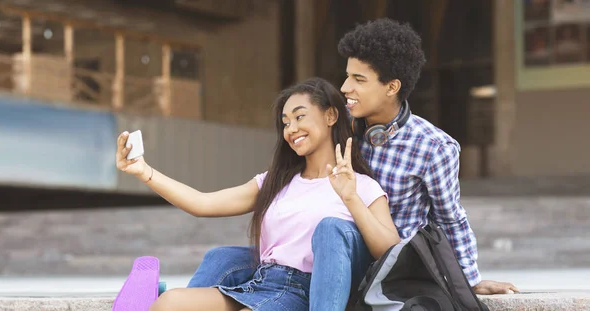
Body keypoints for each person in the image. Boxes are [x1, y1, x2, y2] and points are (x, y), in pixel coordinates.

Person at [187, 17, 519, 311]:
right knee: (224, 258)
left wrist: (469, 278)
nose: (345, 88)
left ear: (391, 87)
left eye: (358, 79)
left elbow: (450, 218)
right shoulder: (338, 120)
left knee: (332, 229)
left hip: (379, 260)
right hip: (314, 256)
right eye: (347, 76)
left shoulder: (433, 147)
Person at [114, 77, 401, 311]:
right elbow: (203, 203)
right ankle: (156, 294)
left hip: (305, 294)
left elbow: (391, 250)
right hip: (260, 282)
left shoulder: (361, 186)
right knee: (169, 304)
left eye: (300, 117)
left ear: (330, 115)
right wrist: (144, 172)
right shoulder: (274, 182)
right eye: (286, 122)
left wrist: (350, 198)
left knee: (330, 228)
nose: (292, 129)